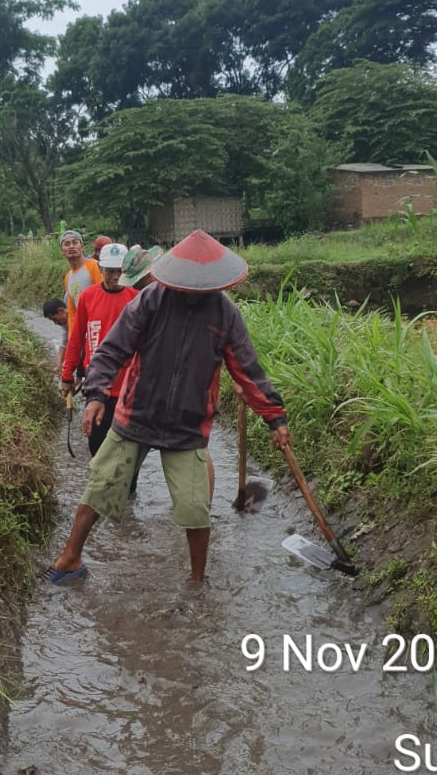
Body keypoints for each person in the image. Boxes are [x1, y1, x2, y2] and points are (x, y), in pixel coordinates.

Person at [42, 230, 291, 587]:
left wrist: (274, 418)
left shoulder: (225, 313)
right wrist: (95, 394)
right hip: (137, 413)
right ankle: (70, 558)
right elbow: (112, 349)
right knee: (101, 487)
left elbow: (248, 370)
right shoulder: (152, 300)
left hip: (188, 423)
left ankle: (197, 582)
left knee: (195, 509)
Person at [61, 242, 137, 459]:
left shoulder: (136, 297)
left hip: (128, 388)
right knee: (97, 448)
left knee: (127, 454)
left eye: (120, 271)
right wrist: (67, 375)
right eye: (110, 271)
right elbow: (76, 339)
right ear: (101, 269)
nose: (115, 276)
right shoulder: (88, 297)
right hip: (97, 387)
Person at [60, 229, 101, 336]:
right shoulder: (68, 277)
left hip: (98, 327)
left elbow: (104, 297)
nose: (71, 246)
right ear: (62, 251)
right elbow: (72, 313)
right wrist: (72, 339)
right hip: (83, 331)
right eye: (67, 244)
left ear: (82, 247)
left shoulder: (94, 266)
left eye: (75, 242)